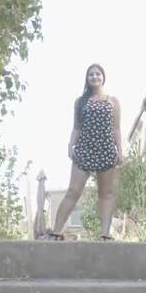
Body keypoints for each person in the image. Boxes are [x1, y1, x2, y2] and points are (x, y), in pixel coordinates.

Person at [42, 63, 122, 241]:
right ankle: (56, 232)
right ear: (87, 78)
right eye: (91, 74)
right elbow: (77, 127)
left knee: (106, 193)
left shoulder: (113, 101)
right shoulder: (80, 102)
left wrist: (120, 151)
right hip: (84, 149)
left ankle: (105, 234)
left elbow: (116, 128)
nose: (94, 77)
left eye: (98, 74)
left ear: (103, 77)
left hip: (106, 149)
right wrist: (70, 145)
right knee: (73, 191)